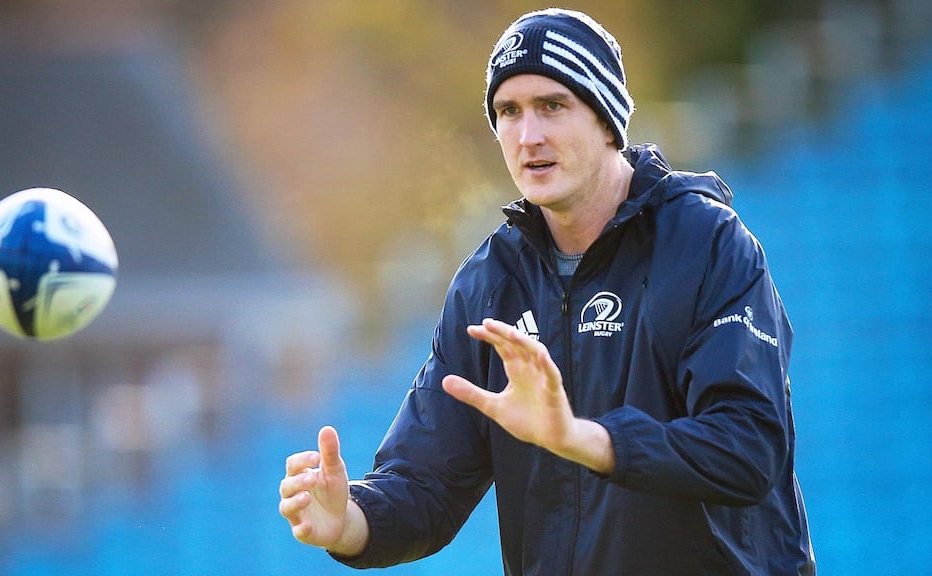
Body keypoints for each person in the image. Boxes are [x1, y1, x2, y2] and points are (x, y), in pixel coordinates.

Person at [278, 8, 816, 575]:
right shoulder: (488, 285)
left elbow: (746, 449)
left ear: (607, 120)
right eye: (509, 111)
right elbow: (426, 487)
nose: (528, 135)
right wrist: (350, 521)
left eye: (552, 106)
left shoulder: (708, 244)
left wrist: (584, 438)